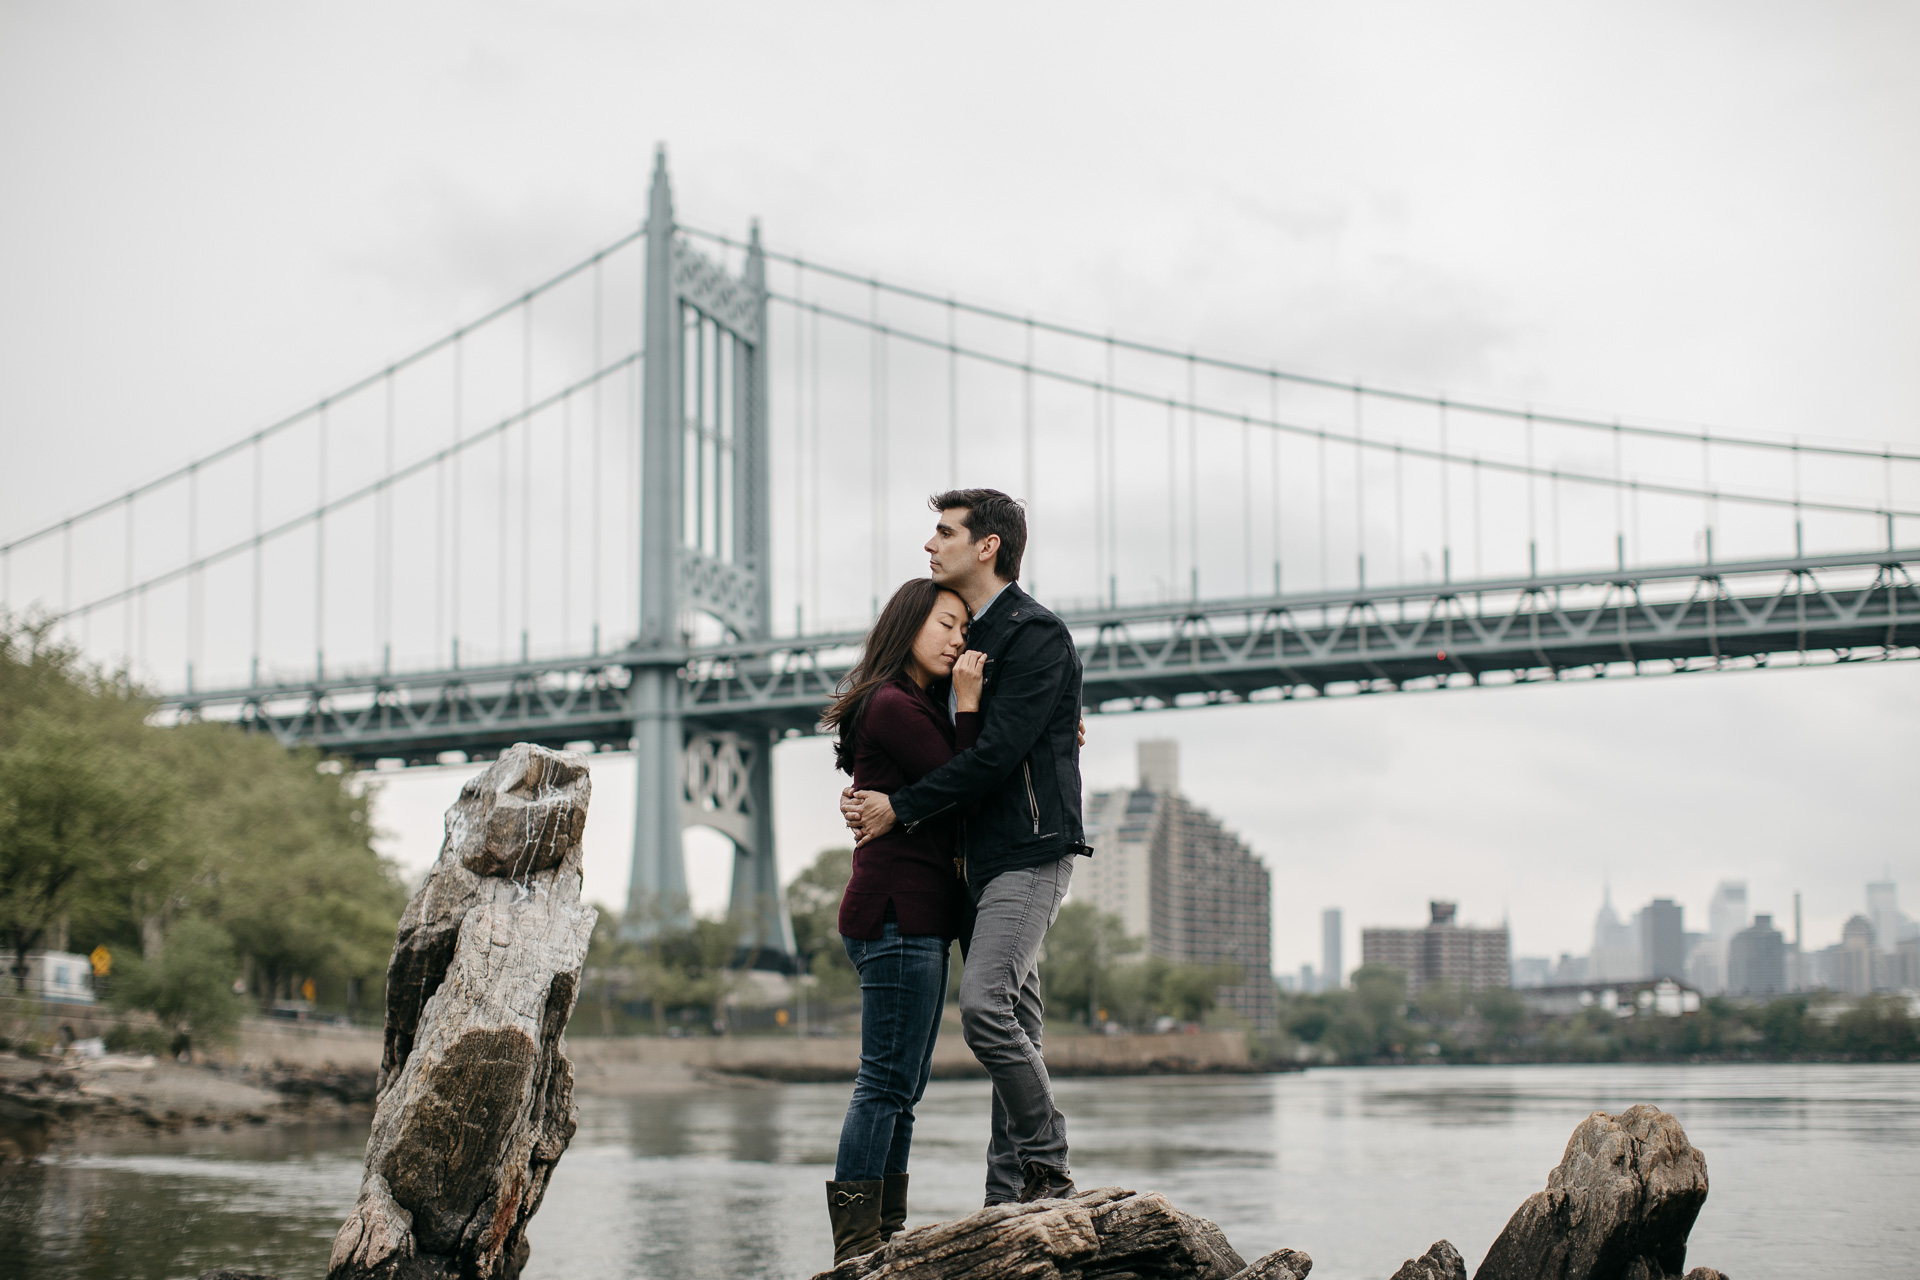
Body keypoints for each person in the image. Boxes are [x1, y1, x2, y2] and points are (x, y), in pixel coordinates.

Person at [842, 488, 1089, 1208]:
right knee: (1018, 1023)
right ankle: (1008, 1197)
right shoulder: (965, 641)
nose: (930, 544)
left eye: (945, 532)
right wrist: (870, 788)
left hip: (1028, 849)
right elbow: (920, 737)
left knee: (984, 1010)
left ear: (987, 546)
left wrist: (898, 808)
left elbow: (992, 756)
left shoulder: (1034, 634)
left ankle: (1048, 1164)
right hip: (973, 862)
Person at [818, 577, 986, 1264]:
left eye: (965, 630)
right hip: (895, 915)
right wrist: (970, 704)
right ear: (909, 624)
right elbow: (963, 781)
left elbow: (938, 781)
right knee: (885, 1084)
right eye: (946, 624)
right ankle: (857, 1245)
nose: (957, 641)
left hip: (914, 918)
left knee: (903, 1090)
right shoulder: (892, 703)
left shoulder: (914, 703)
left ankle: (885, 1233)